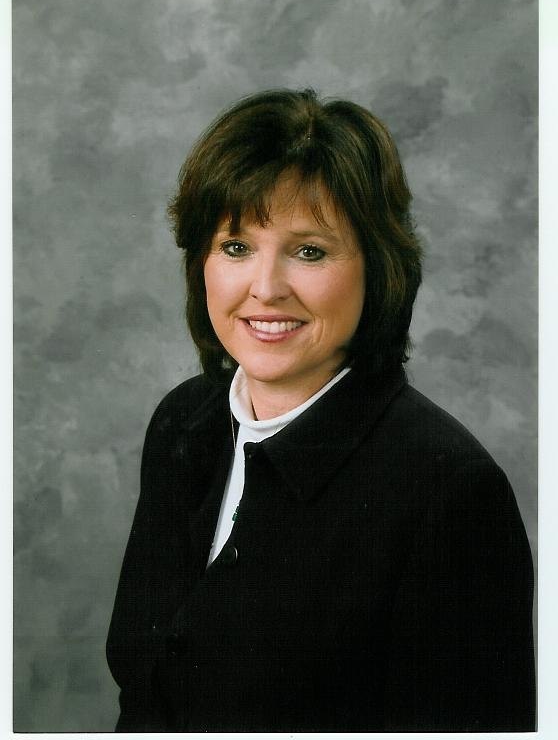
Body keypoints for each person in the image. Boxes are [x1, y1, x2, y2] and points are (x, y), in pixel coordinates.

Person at [106, 88, 535, 732]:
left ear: (379, 269)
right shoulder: (182, 423)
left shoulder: (447, 490)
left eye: (309, 251)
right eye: (236, 247)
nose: (265, 289)